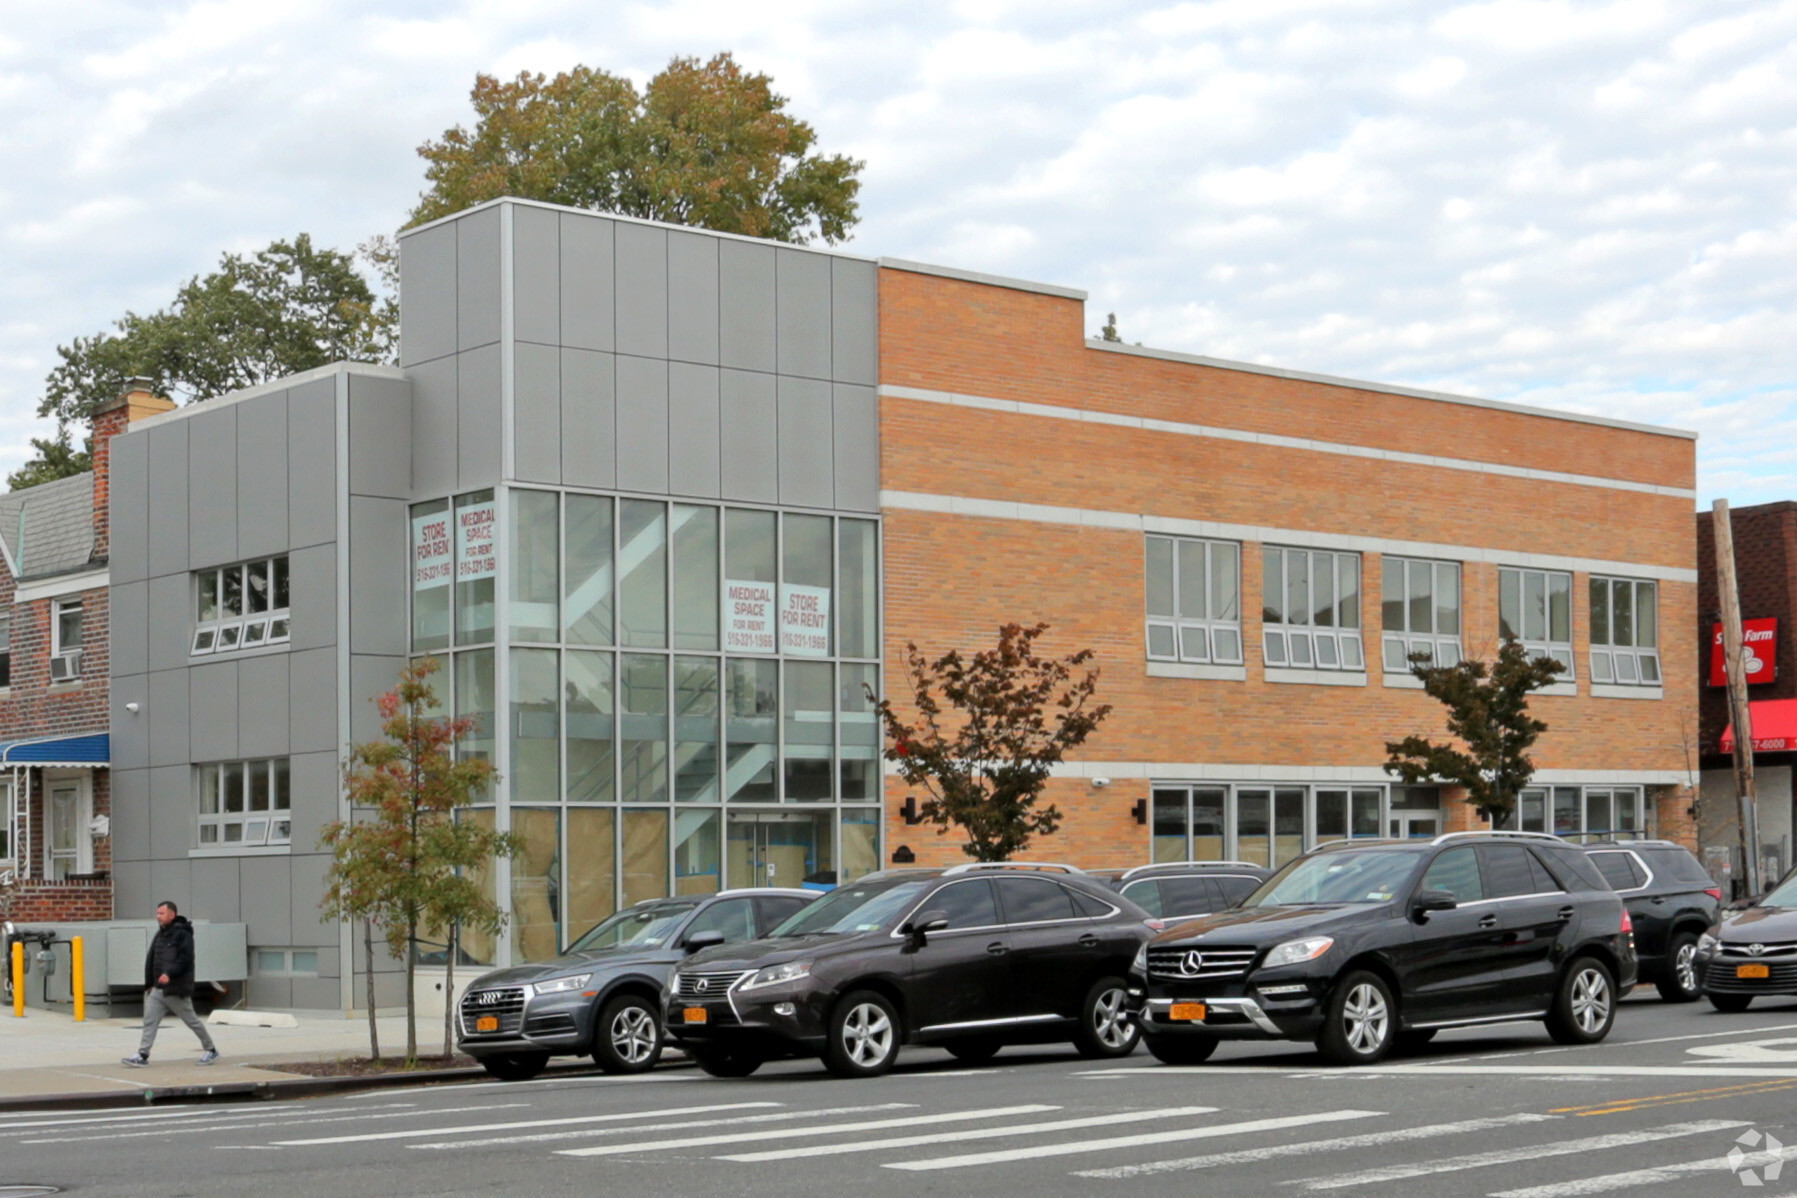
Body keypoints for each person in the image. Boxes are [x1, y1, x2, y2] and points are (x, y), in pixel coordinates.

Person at [121, 901, 219, 1067]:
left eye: (162, 913)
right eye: (157, 913)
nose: (158, 916)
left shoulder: (183, 934)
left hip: (176, 989)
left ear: (172, 914)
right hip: (158, 990)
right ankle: (142, 1055)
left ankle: (211, 1050)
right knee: (150, 1021)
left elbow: (186, 960)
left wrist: (169, 974)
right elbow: (152, 959)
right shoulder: (160, 934)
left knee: (192, 1021)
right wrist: (149, 984)